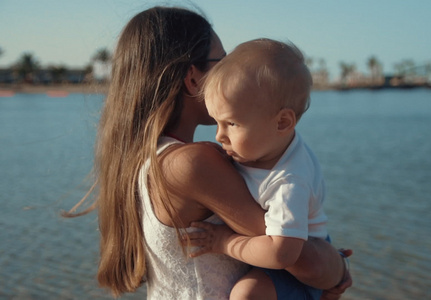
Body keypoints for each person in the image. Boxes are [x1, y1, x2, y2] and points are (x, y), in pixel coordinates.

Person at [64, 6, 351, 300]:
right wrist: (338, 266)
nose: (233, 70)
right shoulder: (193, 164)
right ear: (193, 79)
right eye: (223, 61)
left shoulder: (141, 160)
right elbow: (304, 260)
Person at [187, 38, 334, 300]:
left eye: (231, 123)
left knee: (247, 295)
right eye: (217, 123)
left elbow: (282, 253)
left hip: (297, 267)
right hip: (274, 255)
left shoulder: (289, 181)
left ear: (282, 123)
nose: (219, 135)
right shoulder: (264, 146)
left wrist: (225, 243)